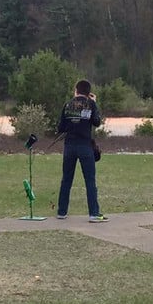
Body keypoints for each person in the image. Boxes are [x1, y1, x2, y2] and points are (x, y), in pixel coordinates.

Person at [56, 79, 108, 222]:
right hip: (85, 146)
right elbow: (97, 122)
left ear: (76, 90)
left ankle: (62, 211)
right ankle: (93, 213)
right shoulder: (90, 104)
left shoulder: (67, 105)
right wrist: (95, 103)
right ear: (88, 93)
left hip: (69, 146)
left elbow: (60, 127)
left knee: (66, 179)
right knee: (90, 180)